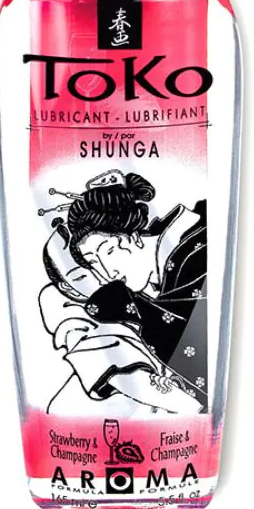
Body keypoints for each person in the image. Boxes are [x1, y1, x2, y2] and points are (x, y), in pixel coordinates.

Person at [66, 169, 208, 407]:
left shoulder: (198, 250)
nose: (107, 273)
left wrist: (134, 306)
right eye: (93, 263)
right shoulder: (159, 279)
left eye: (108, 251)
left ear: (133, 236)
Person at [39, 219, 203, 415]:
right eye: (81, 276)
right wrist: (193, 408)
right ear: (67, 288)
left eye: (98, 261)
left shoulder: (139, 283)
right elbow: (126, 377)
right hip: (106, 420)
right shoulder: (76, 320)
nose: (102, 276)